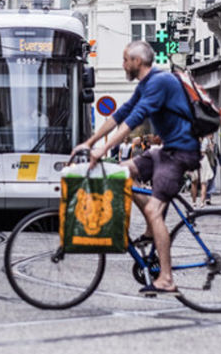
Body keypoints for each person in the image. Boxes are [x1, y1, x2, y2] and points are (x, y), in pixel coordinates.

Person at [73, 41, 200, 296]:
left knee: (154, 210)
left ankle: (166, 279)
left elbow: (134, 119)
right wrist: (89, 142)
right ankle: (152, 230)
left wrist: (102, 149)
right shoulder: (146, 84)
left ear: (137, 61)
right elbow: (121, 114)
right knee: (121, 172)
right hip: (165, 151)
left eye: (124, 60)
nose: (122, 65)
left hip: (180, 153)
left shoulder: (159, 82)